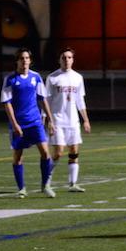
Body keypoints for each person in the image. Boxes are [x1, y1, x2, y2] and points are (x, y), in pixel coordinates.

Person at [1, 48, 56, 198]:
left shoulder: (36, 77)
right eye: (21, 58)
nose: (24, 61)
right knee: (18, 157)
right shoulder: (10, 79)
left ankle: (45, 185)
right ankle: (22, 188)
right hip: (19, 124)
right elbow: (7, 104)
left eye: (26, 58)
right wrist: (15, 125)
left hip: (35, 122)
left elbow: (43, 99)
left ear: (30, 61)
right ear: (17, 61)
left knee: (45, 153)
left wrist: (50, 120)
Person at [45, 48, 91, 192]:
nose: (67, 60)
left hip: (73, 121)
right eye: (64, 57)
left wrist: (86, 120)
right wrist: (46, 120)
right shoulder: (52, 78)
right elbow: (46, 101)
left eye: (69, 57)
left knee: (74, 151)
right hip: (57, 120)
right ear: (59, 60)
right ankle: (46, 181)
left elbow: (80, 101)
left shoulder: (78, 77)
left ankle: (73, 184)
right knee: (58, 152)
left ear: (73, 60)